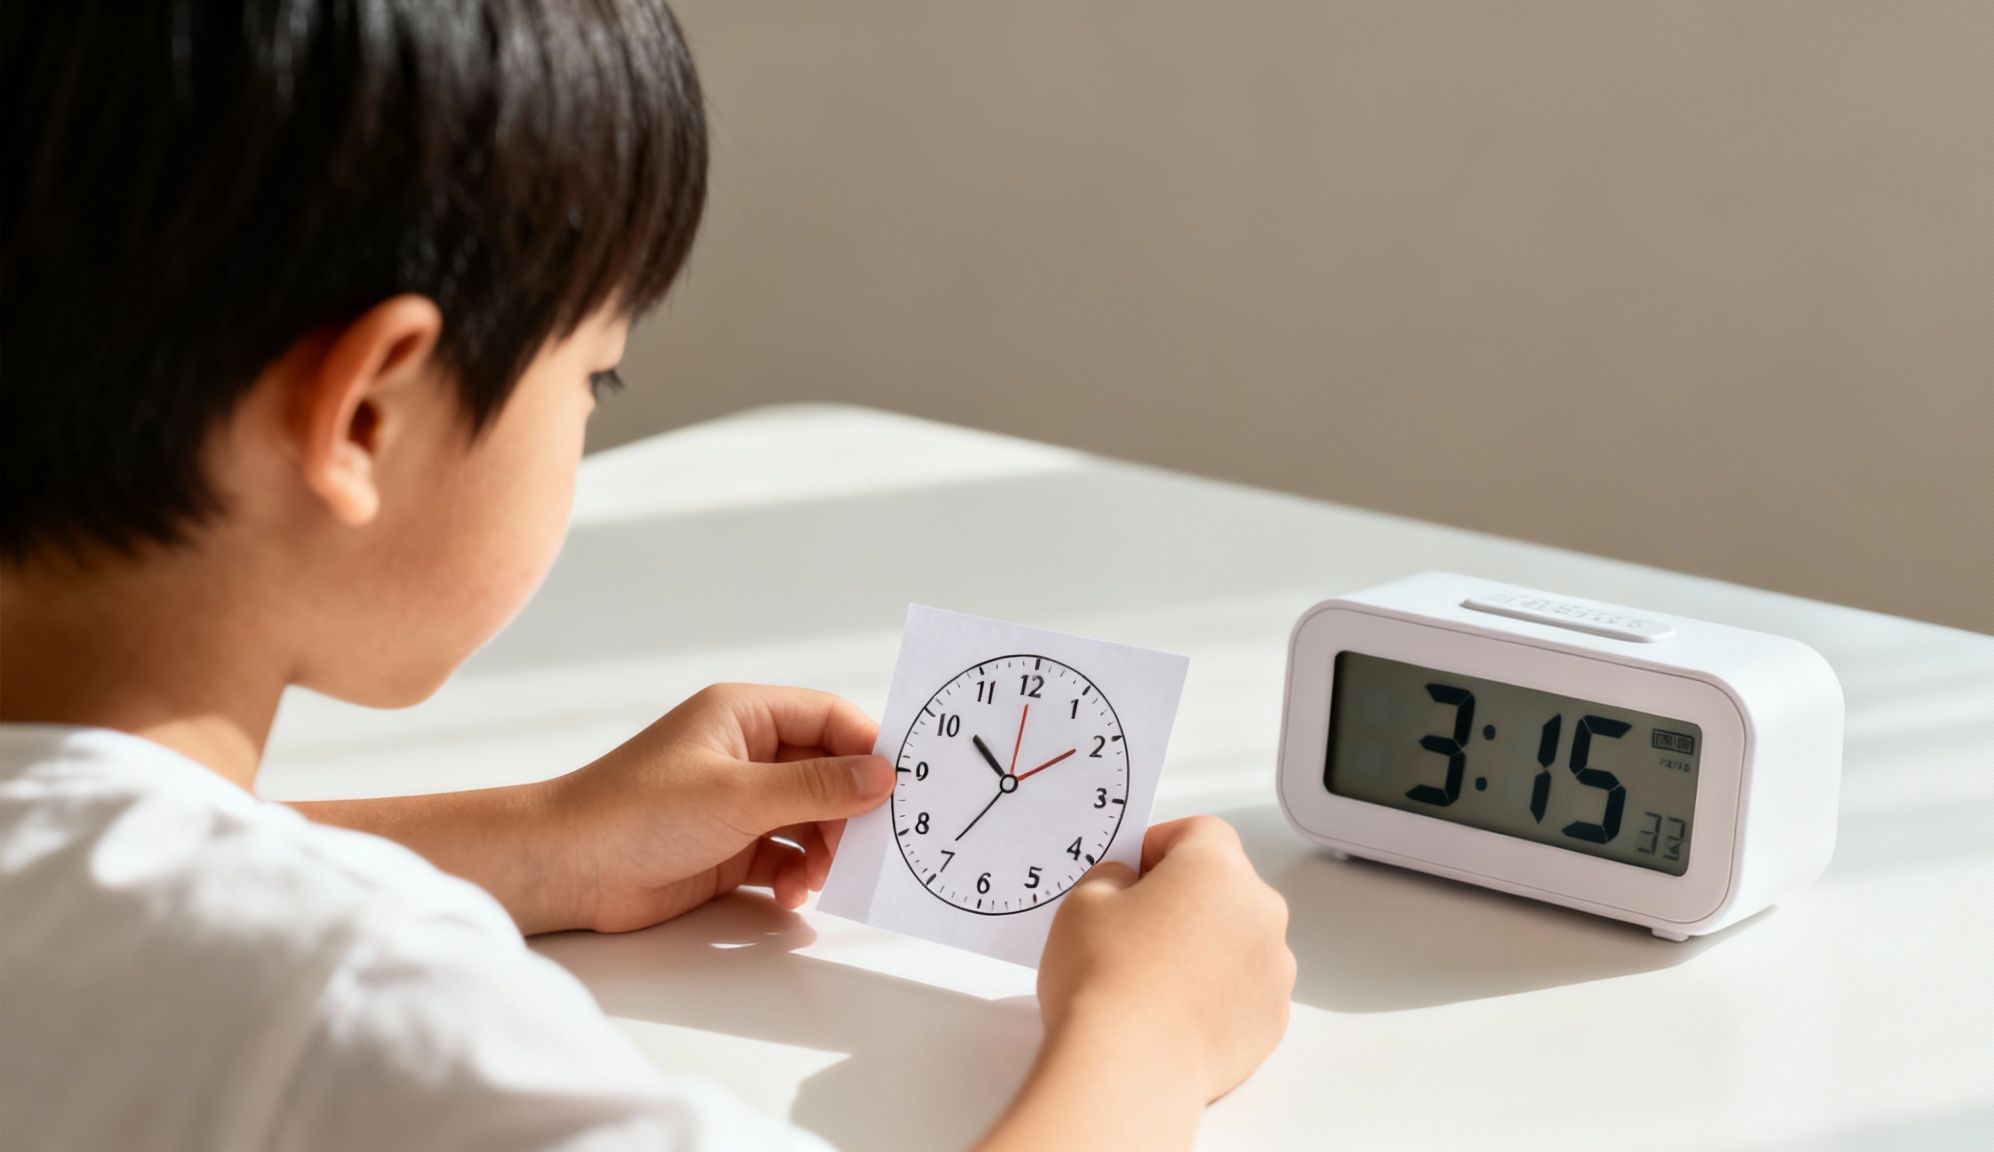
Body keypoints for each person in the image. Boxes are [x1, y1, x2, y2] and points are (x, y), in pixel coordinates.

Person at [0, 3, 1296, 1149]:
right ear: (363, 420)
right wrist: (1148, 1038)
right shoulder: (349, 1011)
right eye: (593, 377)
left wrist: (542, 845)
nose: (590, 409)